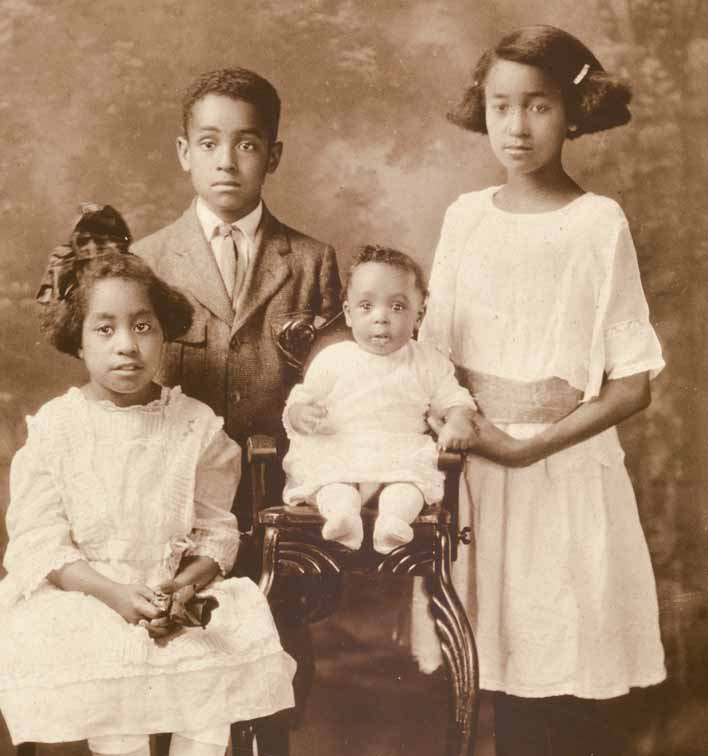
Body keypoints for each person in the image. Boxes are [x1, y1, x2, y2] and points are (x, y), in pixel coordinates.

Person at [410, 25, 667, 756]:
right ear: (482, 111)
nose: (517, 127)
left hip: (562, 475)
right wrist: (463, 429)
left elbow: (634, 383)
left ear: (574, 111)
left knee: (566, 683)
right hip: (478, 477)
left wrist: (527, 450)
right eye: (501, 106)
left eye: (540, 106)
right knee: (493, 681)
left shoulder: (597, 223)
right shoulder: (465, 217)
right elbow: (431, 355)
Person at [0, 205, 296, 756]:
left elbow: (217, 533)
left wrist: (184, 585)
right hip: (90, 597)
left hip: (173, 596)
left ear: (164, 335)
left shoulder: (194, 426)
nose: (126, 344)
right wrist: (114, 594)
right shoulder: (59, 427)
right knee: (112, 700)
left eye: (142, 326)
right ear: (78, 341)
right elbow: (39, 541)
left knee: (209, 695)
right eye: (105, 329)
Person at [133, 67, 342, 743]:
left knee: (273, 673)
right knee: (168, 667)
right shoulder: (146, 263)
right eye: (210, 142)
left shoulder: (311, 262)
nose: (227, 160)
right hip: (174, 502)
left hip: (274, 505)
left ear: (273, 155)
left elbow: (336, 381)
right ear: (183, 151)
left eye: (248, 144)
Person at [282, 245, 476, 553]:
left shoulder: (427, 360)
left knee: (409, 486)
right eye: (366, 306)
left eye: (397, 307)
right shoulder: (333, 358)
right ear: (348, 313)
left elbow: (454, 399)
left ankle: (394, 522)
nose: (381, 318)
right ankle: (343, 518)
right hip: (342, 447)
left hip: (398, 450)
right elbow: (301, 398)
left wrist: (458, 421)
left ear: (419, 314)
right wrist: (300, 413)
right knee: (333, 485)